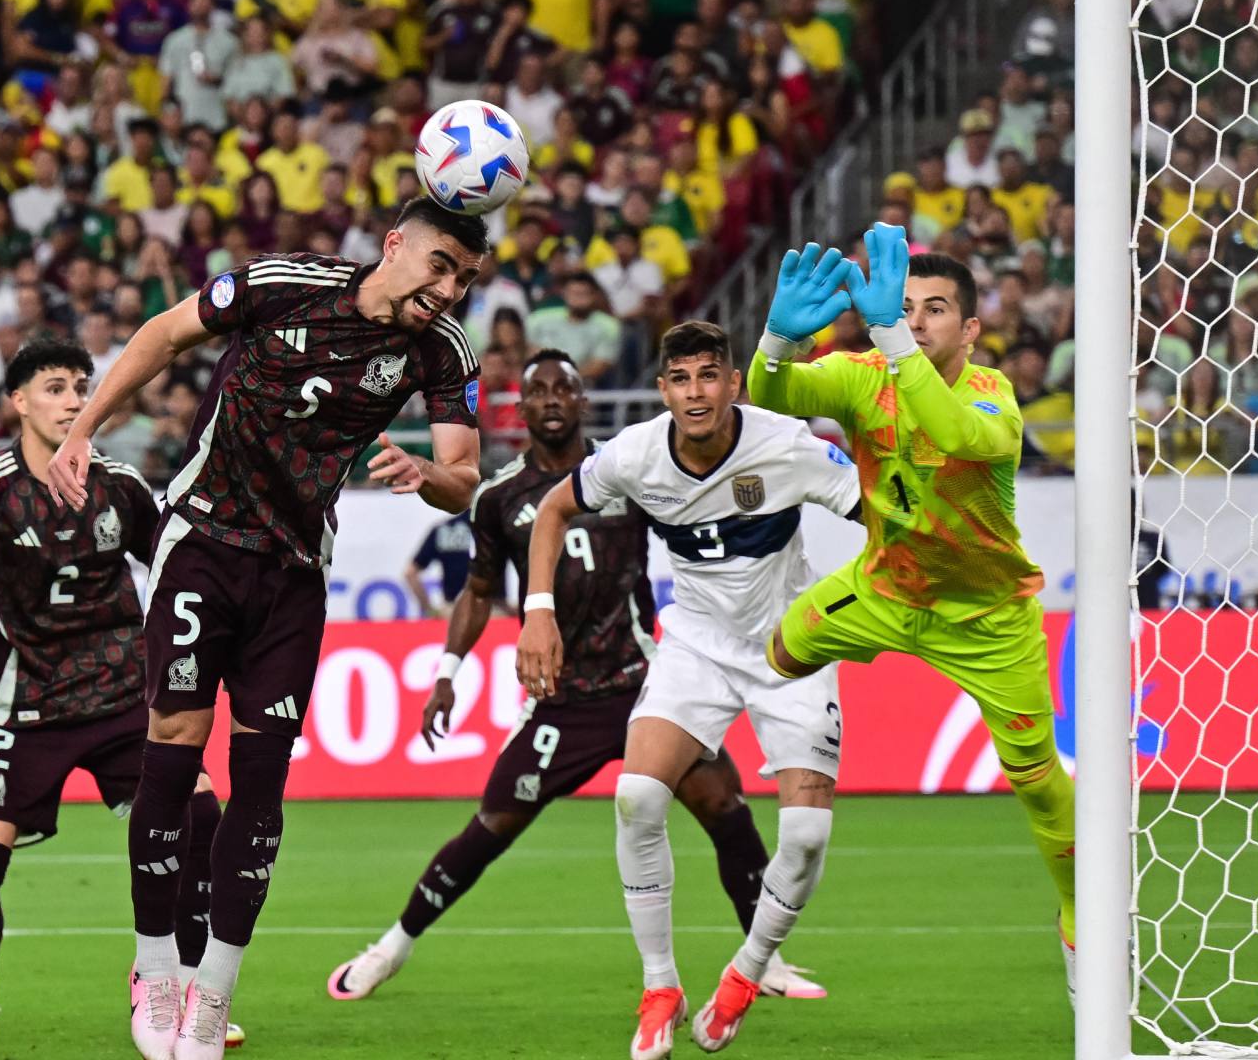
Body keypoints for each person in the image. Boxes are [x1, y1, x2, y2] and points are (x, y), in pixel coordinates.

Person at [45, 196, 491, 1060]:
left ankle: (211, 998)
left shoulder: (442, 351)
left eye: (466, 280)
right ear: (395, 245)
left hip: (293, 574)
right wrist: (84, 432)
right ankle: (155, 974)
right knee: (171, 745)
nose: (449, 290)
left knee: (261, 782)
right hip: (202, 541)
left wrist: (428, 471)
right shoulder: (282, 284)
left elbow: (466, 476)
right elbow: (165, 334)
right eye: (440, 266)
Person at [328, 351, 826, 1005]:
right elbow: (478, 593)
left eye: (566, 387)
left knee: (722, 805)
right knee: (490, 828)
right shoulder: (501, 499)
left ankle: (769, 961)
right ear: (522, 408)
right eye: (540, 390)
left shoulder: (631, 468)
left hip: (644, 683)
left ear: (583, 401)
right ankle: (390, 948)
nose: (554, 398)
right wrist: (447, 671)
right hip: (560, 702)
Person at [0, 341, 240, 1056]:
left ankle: (173, 978)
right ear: (18, 402)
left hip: (121, 699)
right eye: (55, 388)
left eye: (81, 386)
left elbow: (177, 565)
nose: (74, 400)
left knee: (201, 812)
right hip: (23, 702)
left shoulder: (121, 484)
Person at [747, 229, 1076, 1001]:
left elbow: (957, 438)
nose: (917, 321)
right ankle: (807, 755)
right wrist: (777, 341)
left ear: (971, 331)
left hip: (987, 619)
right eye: (902, 308)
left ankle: (1077, 904)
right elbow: (769, 396)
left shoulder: (991, 395)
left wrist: (892, 340)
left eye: (935, 310)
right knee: (780, 652)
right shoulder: (864, 376)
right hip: (884, 592)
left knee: (1035, 784)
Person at [516, 323, 861, 1059]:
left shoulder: (790, 446)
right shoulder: (636, 454)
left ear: (734, 383)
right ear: (664, 389)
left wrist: (880, 600)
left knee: (805, 835)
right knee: (637, 797)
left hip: (789, 648)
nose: (696, 392)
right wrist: (538, 614)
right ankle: (659, 987)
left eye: (710, 376)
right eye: (681, 379)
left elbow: (881, 517)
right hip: (698, 645)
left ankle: (747, 972)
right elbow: (553, 510)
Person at [403, 512, 473, 618]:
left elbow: (410, 573)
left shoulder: (444, 529)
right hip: (493, 611)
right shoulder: (496, 527)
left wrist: (430, 611)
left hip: (453, 613)